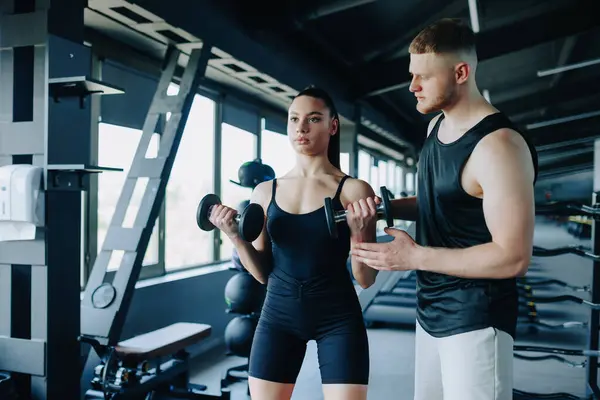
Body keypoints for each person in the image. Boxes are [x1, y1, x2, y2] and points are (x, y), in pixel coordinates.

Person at [350, 18, 538, 400]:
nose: (412, 86)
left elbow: (513, 257)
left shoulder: (499, 147)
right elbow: (445, 201)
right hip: (429, 310)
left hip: (476, 319)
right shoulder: (435, 127)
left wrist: (415, 256)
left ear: (461, 72)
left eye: (423, 76)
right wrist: (383, 211)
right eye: (411, 74)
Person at [208, 85, 379, 400]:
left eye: (313, 119)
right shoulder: (265, 192)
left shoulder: (354, 190)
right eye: (294, 119)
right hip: (278, 318)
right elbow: (261, 273)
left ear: (332, 125)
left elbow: (365, 279)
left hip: (338, 319)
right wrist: (233, 234)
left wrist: (359, 230)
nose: (301, 128)